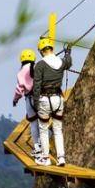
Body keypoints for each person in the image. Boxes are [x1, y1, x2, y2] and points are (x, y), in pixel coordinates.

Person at [31, 36, 72, 166]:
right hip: (58, 99)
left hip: (44, 99)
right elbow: (68, 62)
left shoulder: (40, 65)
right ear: (51, 49)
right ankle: (61, 158)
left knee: (43, 128)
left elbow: (36, 86)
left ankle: (46, 158)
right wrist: (68, 53)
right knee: (58, 129)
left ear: (41, 51)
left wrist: (36, 103)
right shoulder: (61, 62)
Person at [12, 49, 42, 159]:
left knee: (33, 123)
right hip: (41, 97)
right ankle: (44, 145)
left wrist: (15, 100)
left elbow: (19, 90)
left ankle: (36, 147)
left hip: (29, 99)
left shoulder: (20, 72)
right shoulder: (37, 66)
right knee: (44, 121)